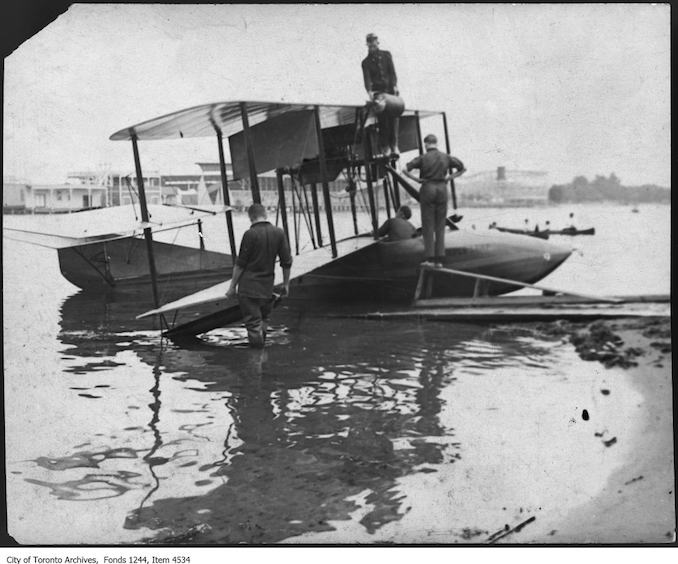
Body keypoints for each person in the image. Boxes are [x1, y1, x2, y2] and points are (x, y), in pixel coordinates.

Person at [225, 203, 292, 348]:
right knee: (263, 321)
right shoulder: (279, 233)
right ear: (265, 214)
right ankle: (262, 361)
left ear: (251, 217)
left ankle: (256, 361)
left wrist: (232, 287)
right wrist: (286, 285)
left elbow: (240, 264)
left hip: (248, 289)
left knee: (253, 325)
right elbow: (286, 262)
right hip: (267, 289)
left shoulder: (250, 234)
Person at [403, 134, 465, 268]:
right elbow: (462, 168)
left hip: (428, 188)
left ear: (426, 144)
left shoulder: (423, 157)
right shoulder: (446, 157)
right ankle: (440, 260)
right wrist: (449, 178)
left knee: (428, 224)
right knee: (440, 224)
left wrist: (417, 180)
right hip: (442, 189)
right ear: (436, 143)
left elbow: (404, 169)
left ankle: (429, 259)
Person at [362, 33, 400, 155]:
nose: (372, 44)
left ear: (377, 42)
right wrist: (370, 92)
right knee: (383, 119)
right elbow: (367, 79)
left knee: (394, 118)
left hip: (390, 91)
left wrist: (394, 85)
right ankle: (385, 146)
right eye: (370, 42)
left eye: (374, 42)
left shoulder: (386, 55)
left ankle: (394, 145)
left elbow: (392, 72)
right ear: (367, 44)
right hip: (379, 93)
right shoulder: (366, 62)